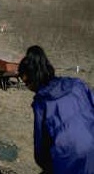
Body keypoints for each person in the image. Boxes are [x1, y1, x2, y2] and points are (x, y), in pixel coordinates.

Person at [18, 46, 94, 174]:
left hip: (71, 163)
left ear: (33, 79)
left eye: (26, 83)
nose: (27, 87)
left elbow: (41, 152)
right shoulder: (77, 84)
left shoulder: (42, 103)